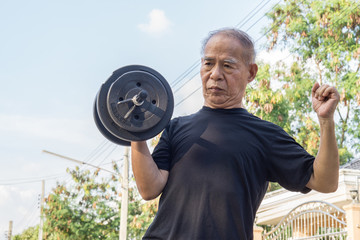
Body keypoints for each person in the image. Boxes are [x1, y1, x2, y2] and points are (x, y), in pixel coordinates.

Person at [131, 28, 340, 239]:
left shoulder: (264, 135)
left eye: (228, 66)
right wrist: (135, 130)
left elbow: (324, 181)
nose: (215, 75)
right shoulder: (176, 127)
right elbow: (149, 188)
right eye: (208, 63)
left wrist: (325, 121)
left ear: (251, 72)